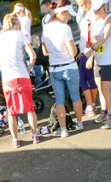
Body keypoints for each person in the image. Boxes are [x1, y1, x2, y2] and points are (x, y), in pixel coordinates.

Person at [0, 13, 39, 147]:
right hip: (22, 76)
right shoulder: (19, 35)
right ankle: (35, 136)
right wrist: (28, 68)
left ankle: (15, 140)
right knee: (30, 109)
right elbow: (33, 56)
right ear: (16, 24)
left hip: (8, 79)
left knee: (11, 111)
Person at [42, 0, 85, 138]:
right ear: (62, 13)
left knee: (59, 100)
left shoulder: (46, 28)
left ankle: (63, 129)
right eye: (68, 14)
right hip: (70, 66)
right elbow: (73, 51)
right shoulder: (65, 28)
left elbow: (44, 51)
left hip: (55, 69)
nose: (69, 17)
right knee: (75, 96)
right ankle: (79, 123)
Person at [84, 0, 111, 129]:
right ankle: (104, 112)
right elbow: (94, 40)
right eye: (94, 10)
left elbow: (104, 38)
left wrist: (90, 52)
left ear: (105, 6)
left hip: (108, 61)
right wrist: (91, 58)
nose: (96, 12)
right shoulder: (97, 20)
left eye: (98, 9)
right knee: (100, 89)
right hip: (98, 60)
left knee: (106, 90)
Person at [76, 0, 99, 117]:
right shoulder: (83, 13)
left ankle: (91, 104)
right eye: (80, 5)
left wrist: (92, 55)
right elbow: (84, 35)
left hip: (90, 51)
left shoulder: (93, 14)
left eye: (83, 3)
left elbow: (95, 36)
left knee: (89, 79)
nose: (82, 6)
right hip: (84, 51)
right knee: (83, 79)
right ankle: (91, 104)